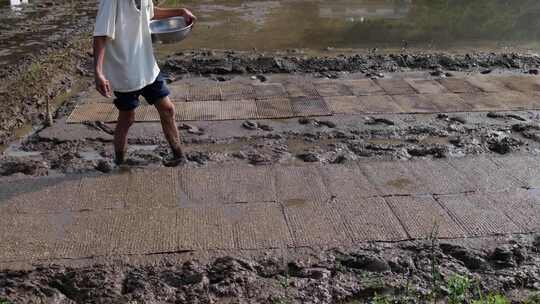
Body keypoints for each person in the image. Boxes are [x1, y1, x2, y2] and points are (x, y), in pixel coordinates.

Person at [93, 0, 196, 166]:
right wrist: (98, 72)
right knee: (127, 118)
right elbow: (100, 35)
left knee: (167, 109)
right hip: (124, 69)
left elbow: (150, 12)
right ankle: (120, 161)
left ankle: (179, 156)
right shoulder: (112, 2)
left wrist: (180, 11)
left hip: (146, 65)